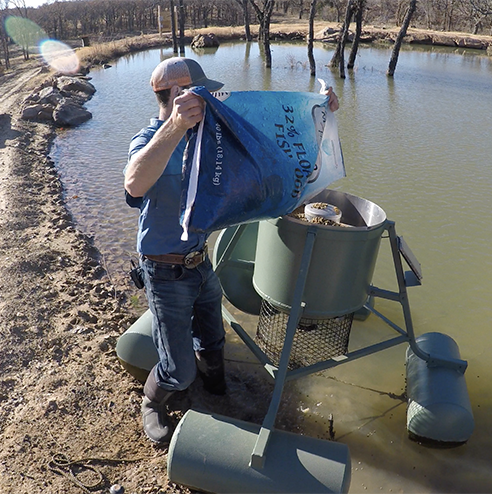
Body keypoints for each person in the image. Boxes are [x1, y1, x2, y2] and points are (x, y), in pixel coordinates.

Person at [124, 57, 339, 444]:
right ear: (176, 94)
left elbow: (271, 153)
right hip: (163, 270)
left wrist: (317, 117)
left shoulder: (210, 137)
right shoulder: (150, 139)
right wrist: (175, 125)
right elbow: (135, 185)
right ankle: (153, 402)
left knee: (213, 340)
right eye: (202, 89)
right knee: (178, 371)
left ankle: (216, 386)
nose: (212, 97)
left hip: (199, 263)